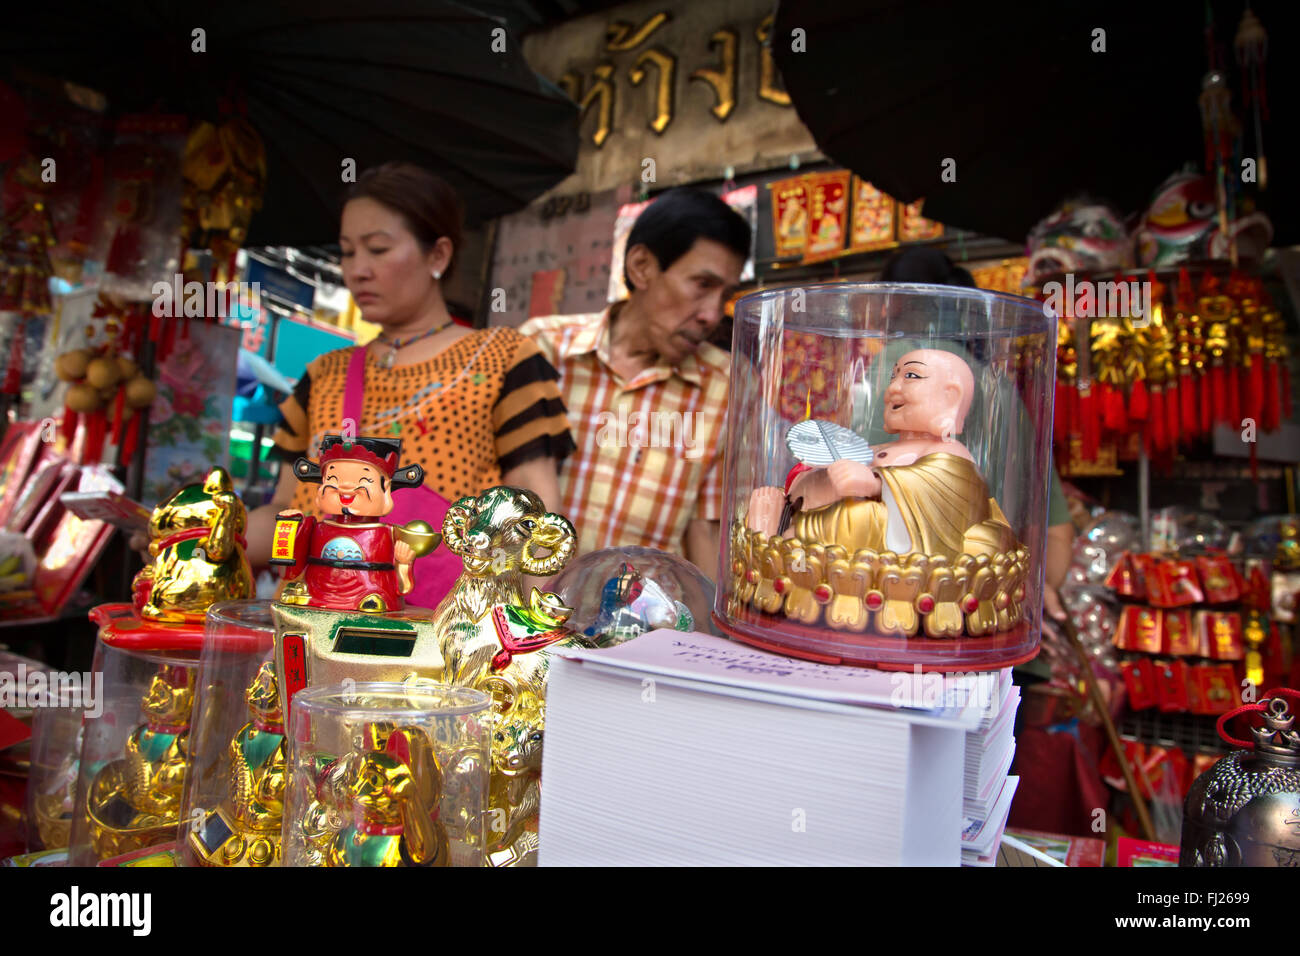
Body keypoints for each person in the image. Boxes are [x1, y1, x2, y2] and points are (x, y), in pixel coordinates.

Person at [246, 162, 575, 608]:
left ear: (438, 256)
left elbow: (534, 521)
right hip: (310, 625)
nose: (357, 269)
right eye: (346, 252)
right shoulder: (324, 374)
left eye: (378, 249)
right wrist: (209, 531)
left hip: (435, 646)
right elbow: (287, 511)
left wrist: (519, 641)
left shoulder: (504, 360)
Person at [519, 188, 751, 579]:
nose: (712, 314)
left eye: (725, 294)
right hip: (519, 617)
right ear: (642, 266)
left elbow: (706, 532)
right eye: (701, 284)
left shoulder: (727, 387)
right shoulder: (542, 350)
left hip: (639, 628)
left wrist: (712, 632)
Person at [877, 247, 1075, 623]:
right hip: (994, 616)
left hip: (901, 615)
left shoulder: (897, 363)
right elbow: (1055, 531)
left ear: (894, 303)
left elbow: (862, 495)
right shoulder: (998, 384)